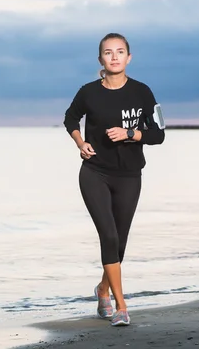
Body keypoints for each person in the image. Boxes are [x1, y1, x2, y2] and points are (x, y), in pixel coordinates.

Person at [63, 32, 165, 327]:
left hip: (129, 176)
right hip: (94, 172)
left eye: (120, 52)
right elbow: (70, 118)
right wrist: (80, 142)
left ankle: (103, 289)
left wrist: (131, 133)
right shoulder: (88, 92)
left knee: (119, 241)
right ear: (101, 60)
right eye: (108, 52)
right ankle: (121, 307)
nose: (115, 56)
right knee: (108, 236)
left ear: (128, 58)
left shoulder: (143, 93)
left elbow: (159, 134)